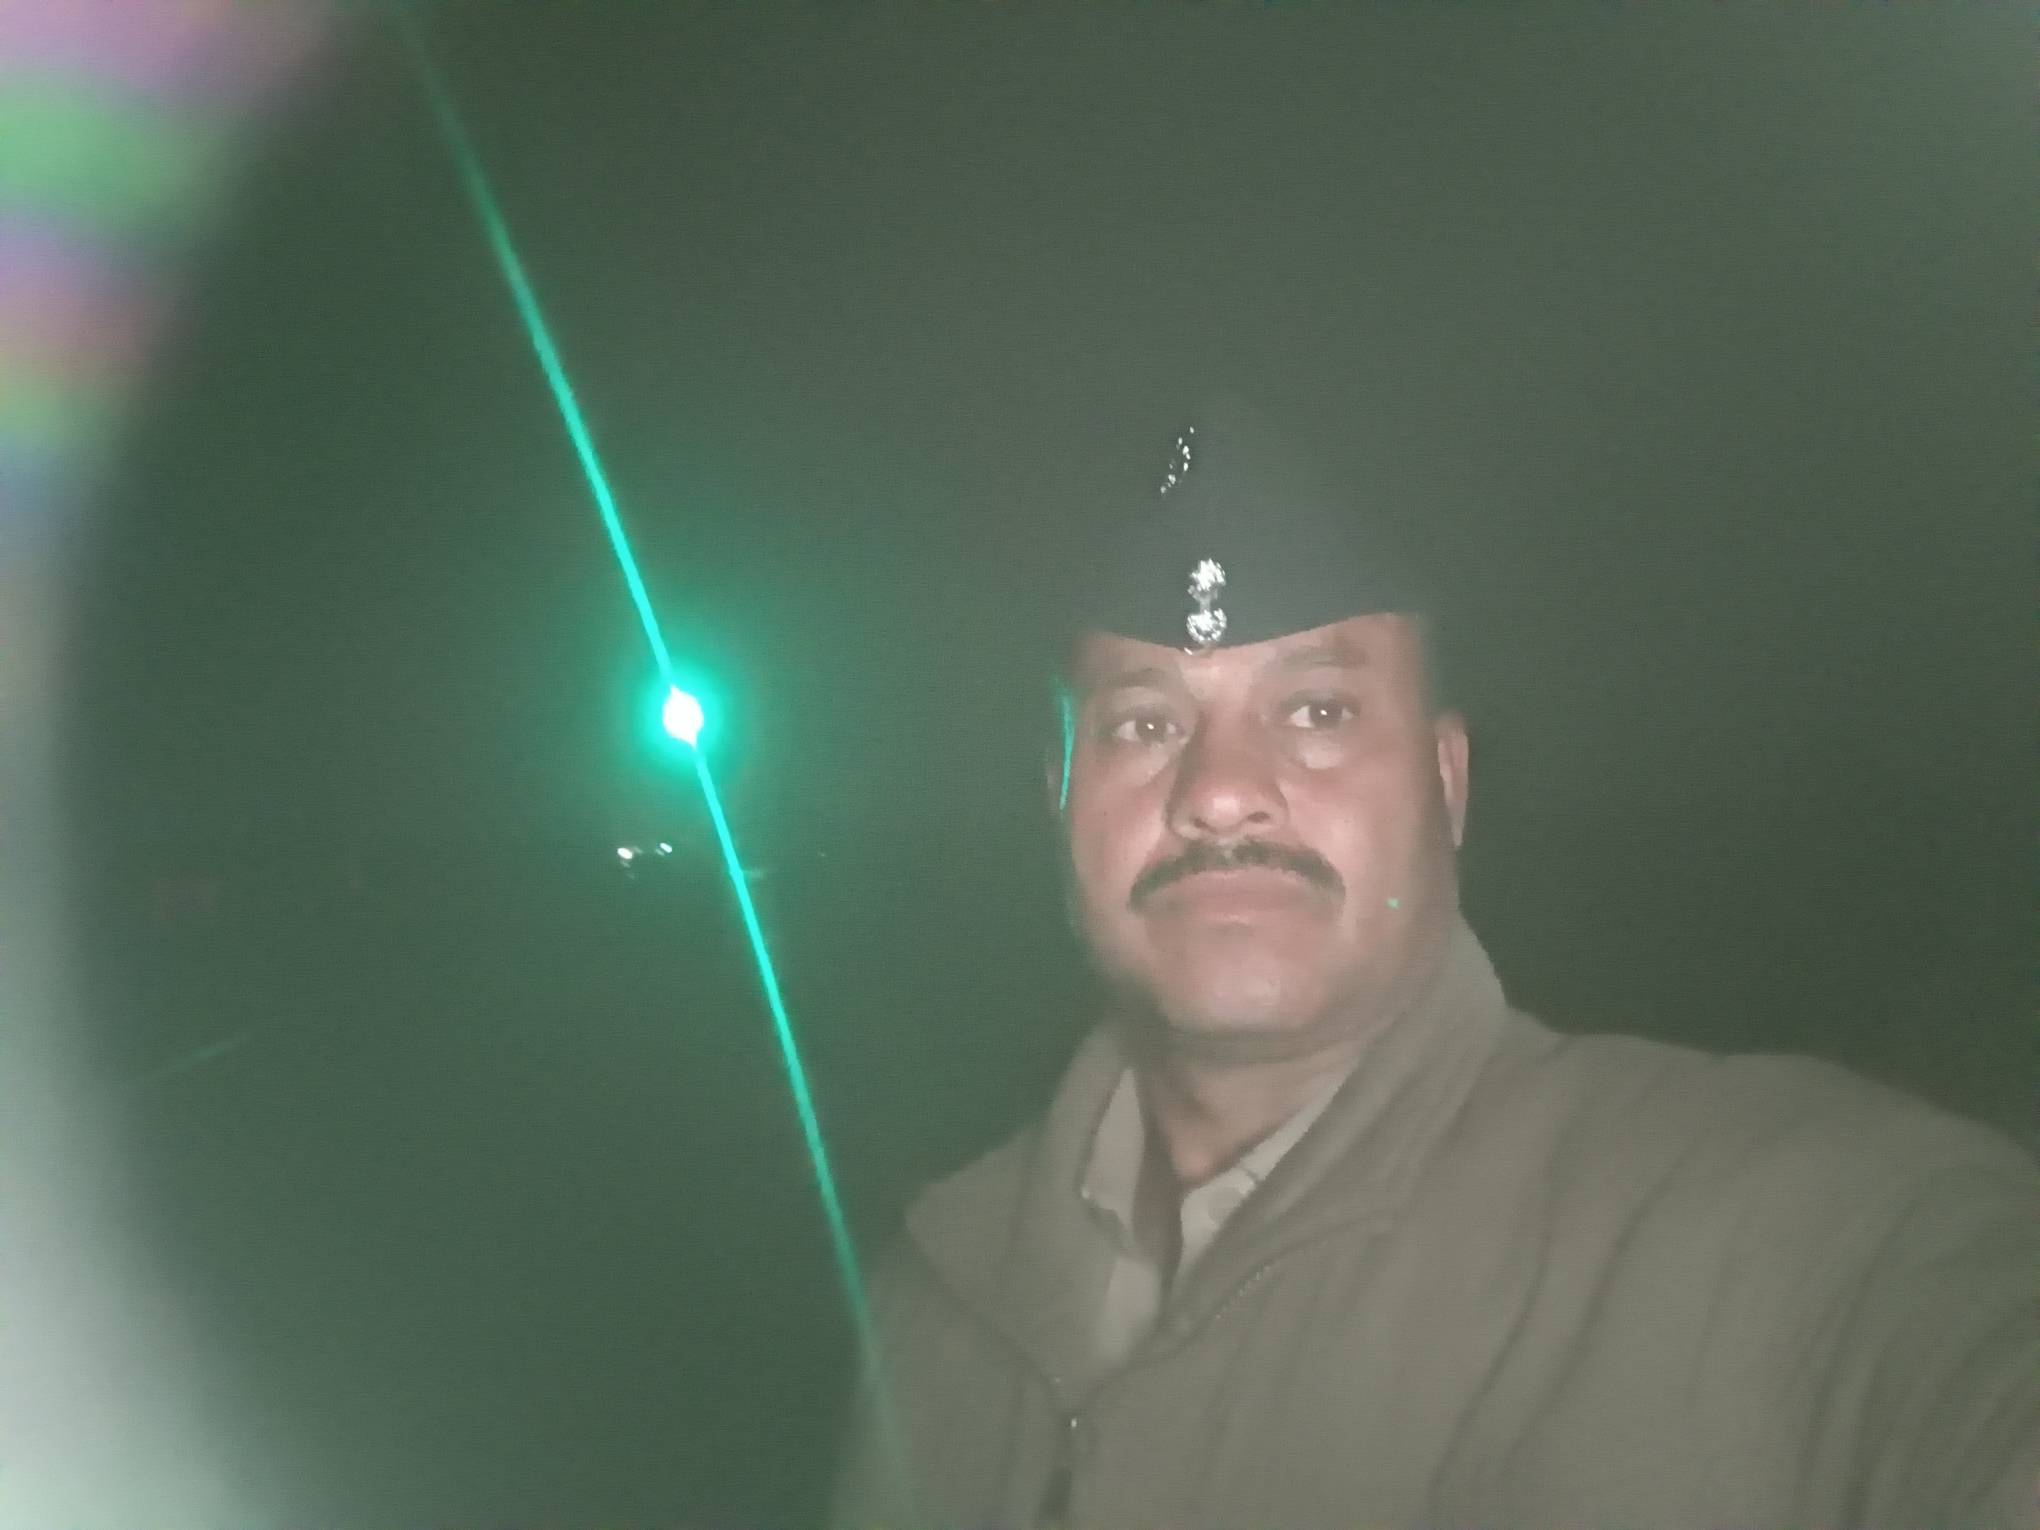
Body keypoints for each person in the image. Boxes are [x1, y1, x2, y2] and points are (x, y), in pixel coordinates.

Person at [827, 396, 2040, 1529]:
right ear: (1060, 801)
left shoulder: (1765, 1227)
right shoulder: (937, 1294)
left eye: (1317, 711)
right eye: (1145, 725)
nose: (1221, 792)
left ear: (1446, 783)